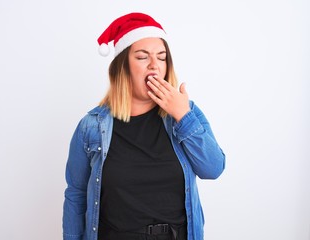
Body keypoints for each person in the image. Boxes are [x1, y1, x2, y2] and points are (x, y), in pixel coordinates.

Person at [63, 12, 225, 240]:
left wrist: (183, 116)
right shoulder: (91, 127)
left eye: (161, 57)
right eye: (142, 57)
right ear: (122, 67)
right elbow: (76, 195)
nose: (154, 66)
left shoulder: (186, 113)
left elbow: (213, 169)